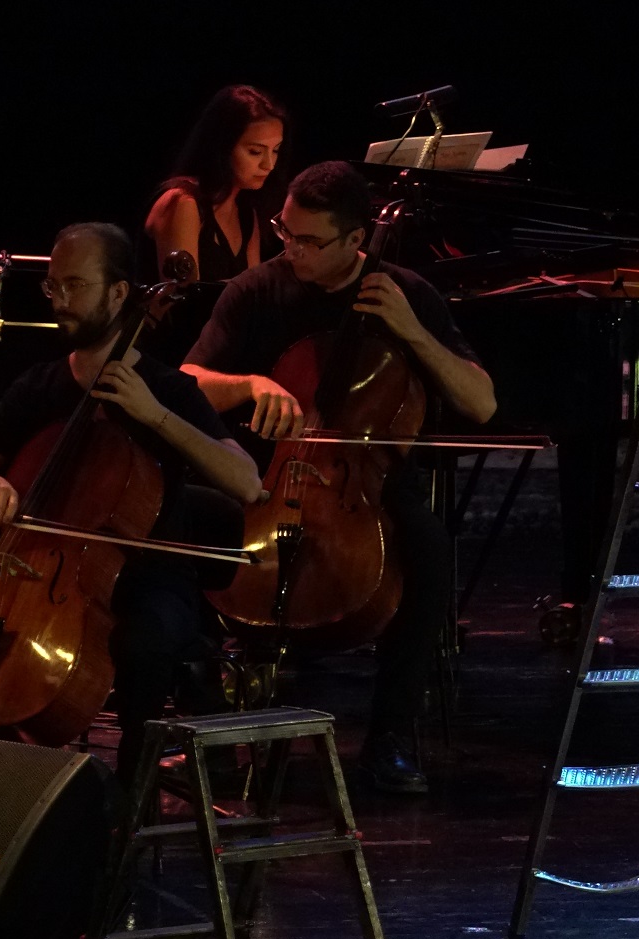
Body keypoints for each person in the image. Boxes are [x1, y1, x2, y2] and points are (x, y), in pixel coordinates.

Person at [183, 161, 494, 794]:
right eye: (285, 232)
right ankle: (206, 724)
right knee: (179, 522)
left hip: (367, 487)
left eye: (308, 240)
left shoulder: (407, 293)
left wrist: (412, 332)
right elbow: (187, 382)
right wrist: (248, 384)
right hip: (260, 479)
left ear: (355, 239)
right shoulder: (256, 290)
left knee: (429, 550)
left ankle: (390, 740)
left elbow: (481, 403)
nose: (291, 249)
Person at [0, 223, 262, 753]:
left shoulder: (166, 388)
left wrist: (155, 416)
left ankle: (134, 784)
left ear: (118, 293)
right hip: (37, 573)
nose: (60, 300)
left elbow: (246, 481)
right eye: (53, 285)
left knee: (142, 642)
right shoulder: (37, 385)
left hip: (150, 579)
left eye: (75, 285)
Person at [144, 85, 286, 286]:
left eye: (276, 150)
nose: (269, 165)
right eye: (255, 152)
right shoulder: (183, 203)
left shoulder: (246, 213)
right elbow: (181, 297)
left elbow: (251, 294)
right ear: (222, 147)